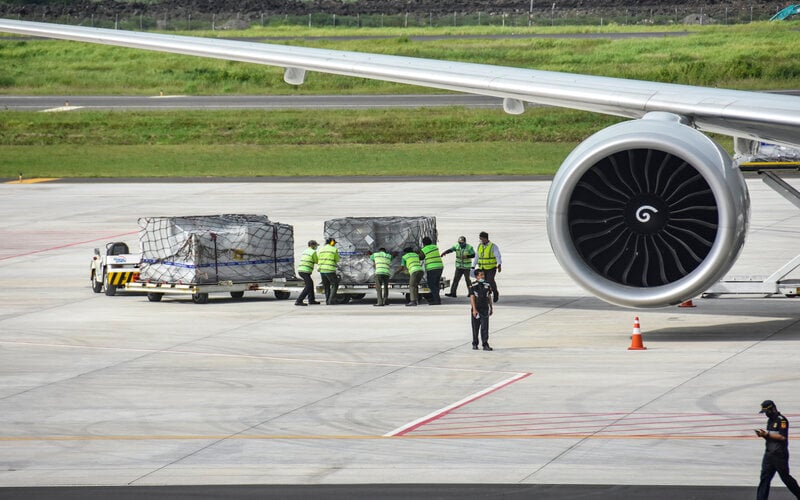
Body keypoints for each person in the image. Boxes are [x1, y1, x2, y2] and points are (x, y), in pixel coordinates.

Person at [755, 400, 800, 500]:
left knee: (786, 478)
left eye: (767, 411)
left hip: (779, 455)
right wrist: (763, 435)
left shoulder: (782, 420)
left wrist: (767, 434)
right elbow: (770, 437)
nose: (766, 414)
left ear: (773, 409)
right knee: (764, 479)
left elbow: (782, 437)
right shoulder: (770, 421)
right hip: (769, 454)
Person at [472, 231, 502, 302]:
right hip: (482, 267)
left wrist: (499, 264)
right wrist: (473, 265)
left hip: (491, 268)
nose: (480, 240)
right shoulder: (480, 246)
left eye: (481, 238)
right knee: (482, 281)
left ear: (485, 238)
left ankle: (495, 292)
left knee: (490, 281)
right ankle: (484, 295)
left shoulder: (493, 246)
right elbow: (477, 256)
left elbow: (498, 256)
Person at [469, 269, 493, 351]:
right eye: (481, 275)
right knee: (475, 327)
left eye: (483, 275)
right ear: (477, 276)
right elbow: (472, 297)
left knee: (485, 327)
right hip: (477, 308)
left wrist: (491, 307)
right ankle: (475, 343)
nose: (483, 276)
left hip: (485, 308)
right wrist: (474, 310)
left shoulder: (487, 285)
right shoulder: (473, 285)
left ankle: (485, 344)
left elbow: (489, 296)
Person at [295, 239, 321, 306]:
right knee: (308, 285)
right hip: (305, 271)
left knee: (311, 284)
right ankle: (299, 301)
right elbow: (316, 261)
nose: (316, 247)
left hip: (301, 270)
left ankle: (311, 300)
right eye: (315, 245)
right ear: (312, 245)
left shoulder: (305, 251)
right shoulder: (312, 252)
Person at [420, 236, 443, 305]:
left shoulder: (424, 249)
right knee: (436, 284)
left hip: (432, 268)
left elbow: (421, 257)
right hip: (440, 267)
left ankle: (436, 300)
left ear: (424, 243)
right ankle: (437, 299)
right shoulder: (435, 247)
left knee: (432, 285)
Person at [317, 238, 340, 305]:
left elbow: (319, 258)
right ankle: (331, 300)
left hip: (322, 270)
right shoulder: (333, 249)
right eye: (334, 243)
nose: (335, 244)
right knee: (335, 284)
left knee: (326, 286)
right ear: (332, 242)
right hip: (329, 269)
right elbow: (337, 259)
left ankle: (327, 300)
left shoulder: (321, 249)